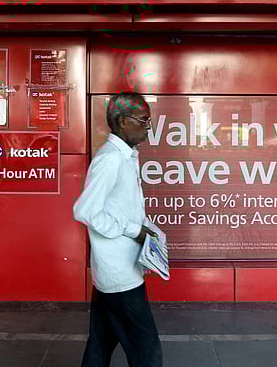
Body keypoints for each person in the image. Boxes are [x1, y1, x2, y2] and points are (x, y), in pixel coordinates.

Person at [73, 92, 162, 367]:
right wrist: (133, 229)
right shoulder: (111, 159)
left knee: (101, 342)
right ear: (123, 121)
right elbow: (84, 210)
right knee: (146, 349)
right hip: (120, 274)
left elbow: (119, 206)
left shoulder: (125, 156)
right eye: (144, 121)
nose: (148, 128)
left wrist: (144, 229)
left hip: (116, 271)